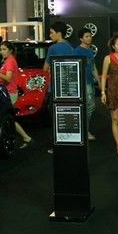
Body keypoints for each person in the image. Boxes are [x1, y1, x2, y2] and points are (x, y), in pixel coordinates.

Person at [0, 41, 32, 149]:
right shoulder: (7, 60)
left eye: (4, 49)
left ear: (10, 50)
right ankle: (24, 138)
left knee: (7, 117)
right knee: (7, 117)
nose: (2, 52)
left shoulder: (10, 61)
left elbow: (8, 78)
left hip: (9, 92)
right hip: (7, 91)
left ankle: (26, 138)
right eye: (1, 50)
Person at [43, 21, 74, 153]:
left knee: (56, 119)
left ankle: (57, 146)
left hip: (55, 88)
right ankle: (69, 142)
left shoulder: (53, 48)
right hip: (68, 88)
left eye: (51, 33)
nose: (50, 35)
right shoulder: (70, 47)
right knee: (68, 116)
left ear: (59, 33)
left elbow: (45, 68)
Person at [74, 27, 99, 141]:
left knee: (89, 107)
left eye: (90, 36)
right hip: (82, 83)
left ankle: (83, 130)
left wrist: (99, 81)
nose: (89, 38)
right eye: (87, 36)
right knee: (90, 106)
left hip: (90, 82)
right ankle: (84, 131)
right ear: (81, 38)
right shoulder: (77, 51)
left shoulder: (89, 51)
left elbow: (93, 67)